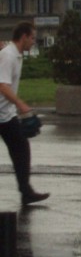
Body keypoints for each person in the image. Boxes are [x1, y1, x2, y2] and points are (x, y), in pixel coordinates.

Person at [0, 21, 49, 206]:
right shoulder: (9, 56)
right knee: (20, 148)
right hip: (3, 113)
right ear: (23, 37)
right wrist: (20, 103)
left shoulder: (15, 55)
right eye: (32, 38)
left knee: (20, 148)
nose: (34, 42)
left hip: (5, 114)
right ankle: (26, 191)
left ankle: (26, 191)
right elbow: (2, 85)